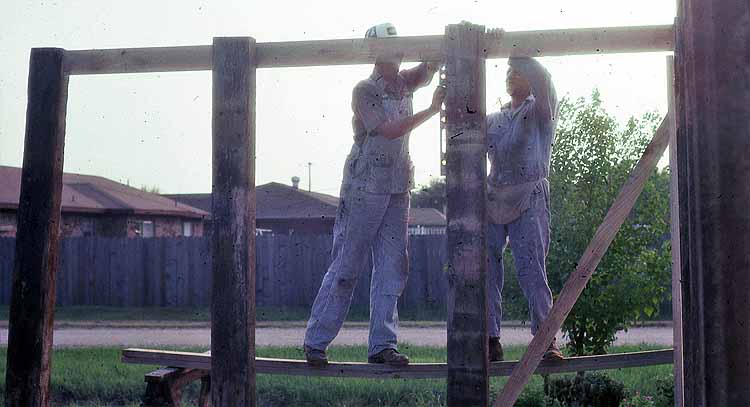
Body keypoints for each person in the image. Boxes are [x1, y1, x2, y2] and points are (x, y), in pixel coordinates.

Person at [303, 23, 446, 367]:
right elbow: (388, 130)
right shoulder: (365, 89)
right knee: (347, 263)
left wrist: (440, 52)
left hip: (398, 184)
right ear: (374, 52)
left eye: (399, 46)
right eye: (389, 47)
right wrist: (430, 110)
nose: (396, 53)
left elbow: (428, 68)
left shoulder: (405, 81)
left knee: (393, 264)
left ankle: (383, 345)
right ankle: (316, 341)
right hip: (365, 184)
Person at [485, 29, 563, 362]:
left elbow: (543, 79)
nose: (513, 76)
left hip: (529, 193)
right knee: (486, 267)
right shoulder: (495, 119)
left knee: (531, 268)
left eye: (519, 71)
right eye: (509, 71)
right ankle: (490, 339)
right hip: (494, 196)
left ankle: (545, 340)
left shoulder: (539, 110)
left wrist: (510, 49)